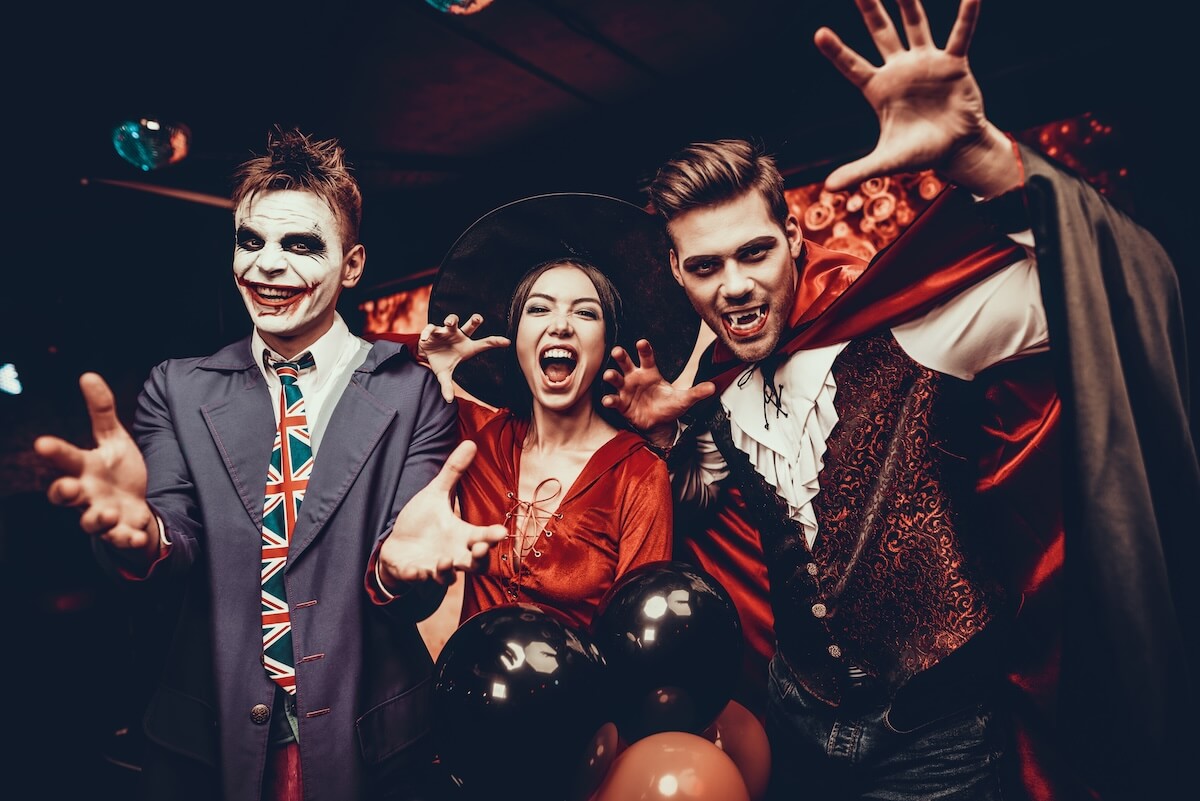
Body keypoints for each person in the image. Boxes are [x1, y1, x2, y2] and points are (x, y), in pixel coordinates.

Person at [602, 1, 1195, 800]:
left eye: (754, 252)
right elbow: (718, 516)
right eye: (705, 267)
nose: (735, 285)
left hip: (941, 742)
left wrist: (983, 157)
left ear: (793, 239)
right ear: (678, 274)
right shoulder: (711, 382)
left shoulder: (911, 333)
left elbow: (1100, 288)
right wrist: (670, 439)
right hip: (797, 723)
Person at [32, 127, 507, 801]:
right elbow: (173, 538)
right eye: (249, 240)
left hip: (371, 746)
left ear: (353, 264)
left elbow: (405, 561)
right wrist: (141, 534)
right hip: (211, 743)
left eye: (301, 243)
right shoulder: (178, 386)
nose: (265, 265)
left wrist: (400, 568)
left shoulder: (411, 389)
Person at [377, 193, 695, 630]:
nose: (560, 324)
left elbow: (644, 634)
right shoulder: (477, 437)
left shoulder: (638, 473)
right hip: (464, 693)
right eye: (539, 308)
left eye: (585, 312)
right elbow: (362, 361)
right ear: (516, 336)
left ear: (606, 345)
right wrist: (425, 353)